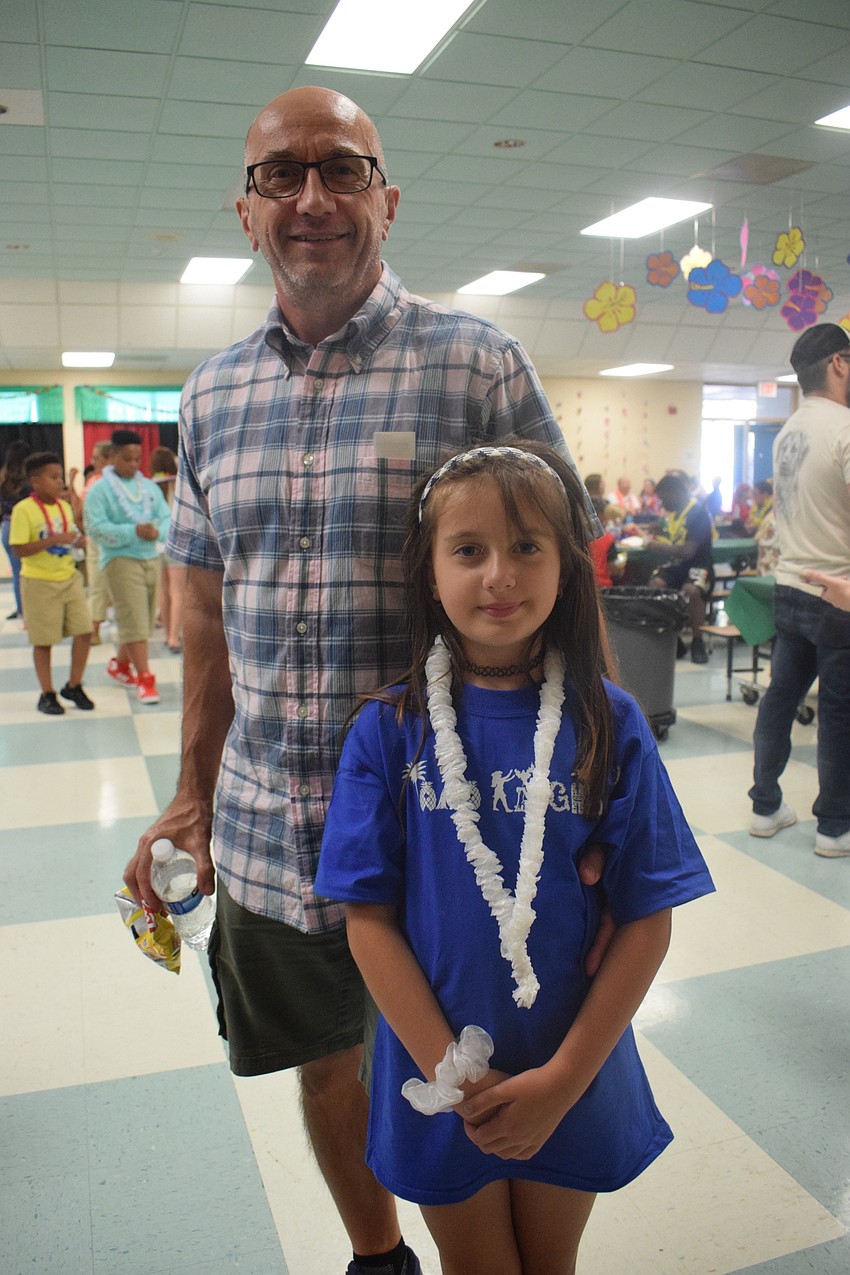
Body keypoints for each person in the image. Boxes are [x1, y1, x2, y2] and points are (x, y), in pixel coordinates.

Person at [122, 86, 598, 1275]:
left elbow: (561, 577)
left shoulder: (477, 366)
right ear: (247, 212)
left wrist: (582, 781)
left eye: (341, 170)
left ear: (386, 197)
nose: (312, 198)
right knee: (324, 1065)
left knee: (464, 1060)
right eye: (281, 176)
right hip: (269, 827)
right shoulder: (210, 393)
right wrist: (189, 793)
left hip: (443, 835)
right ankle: (376, 1255)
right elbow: (204, 617)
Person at [314, 443, 714, 1275]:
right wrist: (449, 1072)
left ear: (567, 568)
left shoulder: (611, 722)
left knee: (551, 1263)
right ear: (429, 572)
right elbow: (369, 922)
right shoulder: (388, 731)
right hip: (438, 1076)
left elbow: (648, 918)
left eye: (528, 546)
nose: (500, 573)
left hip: (573, 1059)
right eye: (469, 550)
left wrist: (566, 1077)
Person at [749, 323, 850, 857]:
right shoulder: (845, 428)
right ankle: (834, 826)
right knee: (838, 712)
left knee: (781, 697)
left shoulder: (789, 431)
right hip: (838, 590)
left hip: (789, 585)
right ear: (838, 363)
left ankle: (765, 806)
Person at [83, 429, 171, 705]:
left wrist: (156, 532)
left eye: (137, 459)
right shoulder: (99, 490)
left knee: (142, 619)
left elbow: (166, 518)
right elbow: (96, 528)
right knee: (133, 618)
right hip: (119, 559)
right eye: (126, 459)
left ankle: (120, 666)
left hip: (150, 557)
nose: (133, 465)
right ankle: (145, 677)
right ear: (111, 457)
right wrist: (133, 531)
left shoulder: (148, 487)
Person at [8, 452, 94, 715]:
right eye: (53, 477)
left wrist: (76, 540)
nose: (59, 482)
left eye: (60, 476)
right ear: (35, 481)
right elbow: (19, 549)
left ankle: (74, 685)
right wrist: (54, 540)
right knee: (43, 641)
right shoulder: (24, 509)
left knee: (85, 631)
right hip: (39, 582)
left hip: (67, 577)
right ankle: (47, 693)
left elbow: (68, 536)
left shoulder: (63, 506)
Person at [647, 473, 714, 663]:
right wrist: (662, 533)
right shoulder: (677, 514)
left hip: (699, 566)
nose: (662, 502)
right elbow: (678, 538)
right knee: (656, 585)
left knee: (691, 591)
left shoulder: (698, 514)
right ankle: (673, 638)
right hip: (678, 567)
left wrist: (660, 546)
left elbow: (688, 551)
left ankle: (697, 640)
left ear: (674, 492)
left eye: (663, 497)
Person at [149, 446, 186, 653]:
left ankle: (166, 634)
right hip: (177, 542)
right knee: (178, 591)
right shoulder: (178, 484)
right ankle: (174, 637)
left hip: (155, 544)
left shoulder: (150, 487)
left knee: (163, 591)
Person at [80, 440, 114, 645]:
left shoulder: (118, 481)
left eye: (96, 458)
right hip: (96, 541)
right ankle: (94, 628)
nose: (93, 462)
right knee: (97, 585)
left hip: (116, 541)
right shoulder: (93, 481)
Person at [1, 440, 31, 620]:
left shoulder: (3, 479)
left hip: (6, 526)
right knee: (27, 572)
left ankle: (21, 609)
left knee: (16, 572)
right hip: (23, 527)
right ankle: (28, 610)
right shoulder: (29, 481)